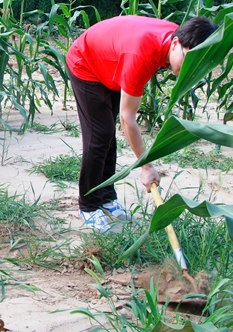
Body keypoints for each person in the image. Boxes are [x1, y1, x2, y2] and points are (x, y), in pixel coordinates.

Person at [66, 15, 217, 232]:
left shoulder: (177, 38)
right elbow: (128, 119)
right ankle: (88, 206)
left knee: (107, 135)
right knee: (99, 136)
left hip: (113, 63)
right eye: (188, 60)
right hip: (86, 63)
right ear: (175, 44)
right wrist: (147, 166)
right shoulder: (142, 54)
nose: (190, 69)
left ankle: (107, 198)